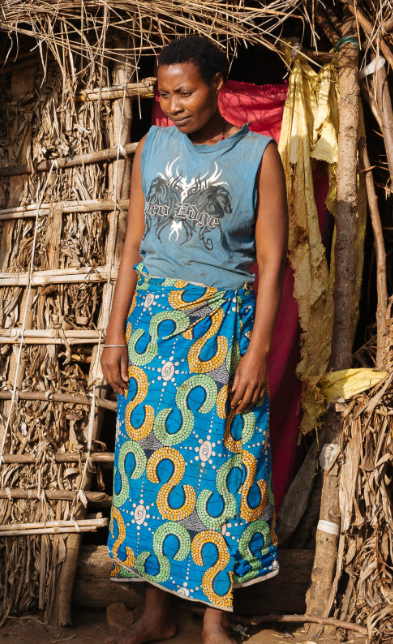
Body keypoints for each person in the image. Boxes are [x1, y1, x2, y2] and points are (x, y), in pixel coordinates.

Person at [101, 35, 288, 644]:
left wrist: (257, 351)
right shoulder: (152, 147)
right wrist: (113, 336)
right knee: (154, 466)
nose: (174, 104)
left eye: (185, 92)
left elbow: (272, 259)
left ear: (218, 86)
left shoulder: (257, 154)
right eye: (164, 93)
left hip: (223, 330)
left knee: (222, 468)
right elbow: (132, 246)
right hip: (155, 327)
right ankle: (156, 613)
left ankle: (215, 619)